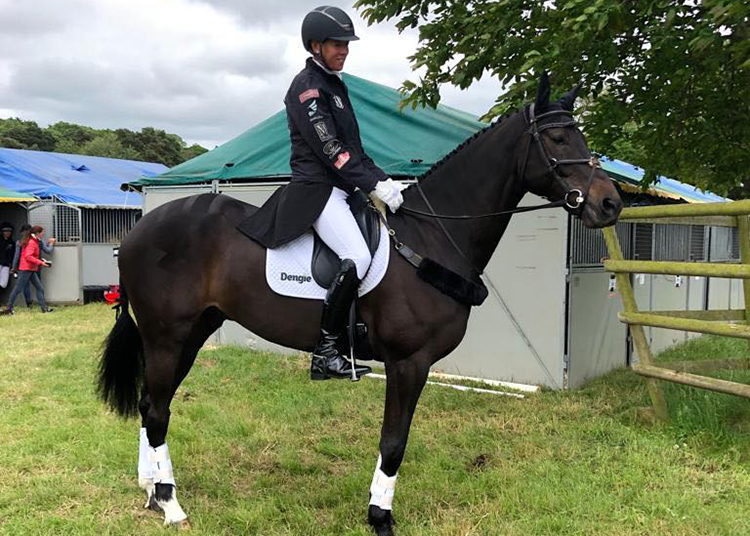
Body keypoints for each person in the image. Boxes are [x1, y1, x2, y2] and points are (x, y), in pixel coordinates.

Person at [238, 6, 405, 380]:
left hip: (342, 189)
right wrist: (372, 183)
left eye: (347, 43)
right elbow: (332, 149)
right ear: (315, 46)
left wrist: (384, 180)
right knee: (357, 256)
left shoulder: (335, 85)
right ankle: (326, 352)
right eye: (336, 44)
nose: (344, 50)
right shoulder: (307, 87)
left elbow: (356, 151)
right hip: (317, 190)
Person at [2, 225, 52, 314]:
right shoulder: (32, 242)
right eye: (42, 232)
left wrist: (41, 261)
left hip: (30, 269)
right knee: (18, 289)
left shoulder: (33, 241)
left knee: (39, 288)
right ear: (37, 233)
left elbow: (30, 256)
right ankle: (9, 308)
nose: (43, 234)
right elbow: (28, 256)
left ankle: (44, 309)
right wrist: (41, 263)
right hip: (26, 269)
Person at [0, 222, 15, 289]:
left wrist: (12, 265)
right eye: (5, 231)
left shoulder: (12, 242)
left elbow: (12, 255)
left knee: (4, 284)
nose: (8, 232)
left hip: (6, 264)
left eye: (9, 231)